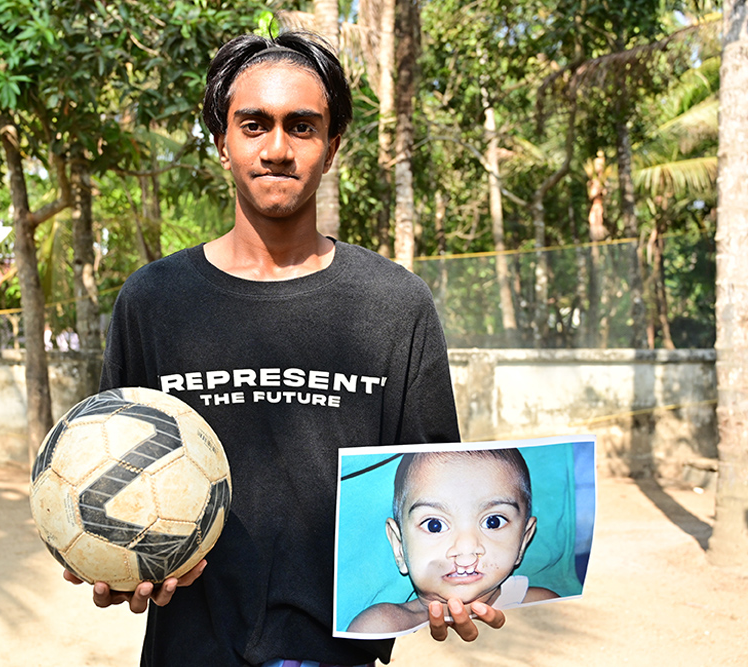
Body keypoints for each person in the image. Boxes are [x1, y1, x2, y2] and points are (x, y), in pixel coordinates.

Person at [65, 30, 507, 665]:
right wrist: (111, 560)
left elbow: (435, 489)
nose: (277, 148)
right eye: (254, 125)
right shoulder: (153, 301)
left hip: (339, 654)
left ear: (331, 149)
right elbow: (108, 472)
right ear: (222, 141)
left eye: (302, 127)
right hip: (189, 648)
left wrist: (452, 588)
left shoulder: (395, 303)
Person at [347, 448, 559, 635]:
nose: (466, 549)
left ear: (523, 541)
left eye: (493, 522)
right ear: (399, 547)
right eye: (434, 525)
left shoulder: (542, 607)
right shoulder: (382, 627)